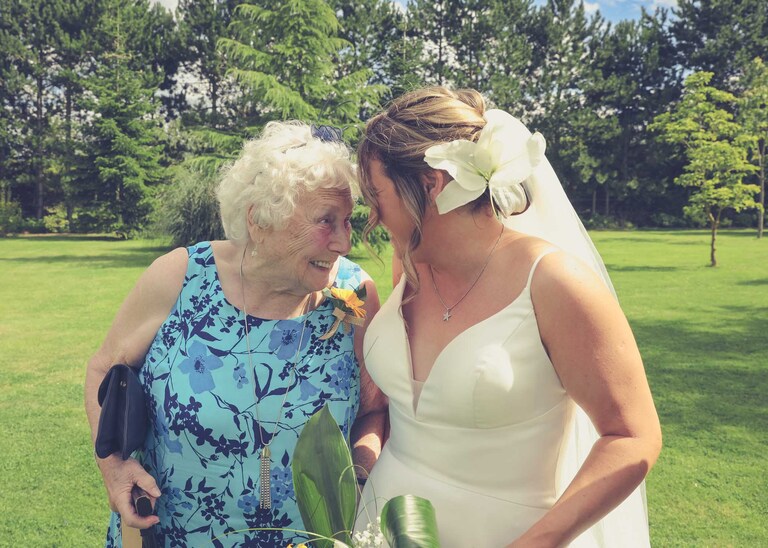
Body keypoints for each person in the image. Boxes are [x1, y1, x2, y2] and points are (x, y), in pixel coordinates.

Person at [353, 87, 662, 547]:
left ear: (428, 184)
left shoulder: (554, 284)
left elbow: (632, 436)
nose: (372, 216)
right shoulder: (409, 266)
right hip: (383, 524)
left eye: (377, 194)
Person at [84, 121, 384, 547]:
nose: (343, 243)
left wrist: (356, 476)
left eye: (348, 221)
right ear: (260, 220)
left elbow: (375, 411)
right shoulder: (182, 276)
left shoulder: (353, 296)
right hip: (172, 535)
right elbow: (103, 368)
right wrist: (113, 468)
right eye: (325, 221)